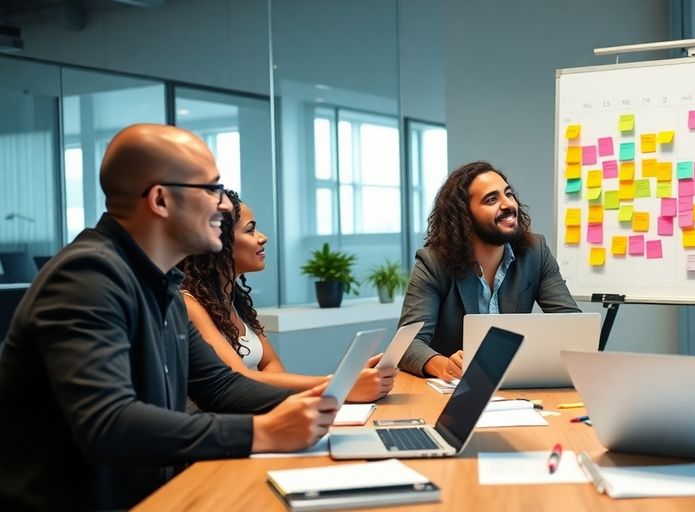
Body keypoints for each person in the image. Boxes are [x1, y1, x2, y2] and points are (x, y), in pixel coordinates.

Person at [0, 125, 337, 510]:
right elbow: (109, 423)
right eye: (211, 189)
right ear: (160, 200)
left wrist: (325, 398)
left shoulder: (162, 284)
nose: (225, 205)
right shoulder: (87, 277)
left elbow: (220, 387)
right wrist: (261, 431)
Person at [179, 190, 395, 401]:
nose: (263, 238)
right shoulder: (189, 304)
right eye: (250, 230)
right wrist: (339, 384)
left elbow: (275, 370)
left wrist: (342, 382)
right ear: (219, 240)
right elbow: (237, 380)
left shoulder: (235, 301)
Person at [398, 161, 581, 380]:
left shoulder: (535, 252)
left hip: (517, 385)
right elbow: (408, 343)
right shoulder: (433, 263)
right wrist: (442, 365)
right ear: (464, 216)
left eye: (508, 194)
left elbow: (573, 327)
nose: (507, 204)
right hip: (453, 392)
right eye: (492, 199)